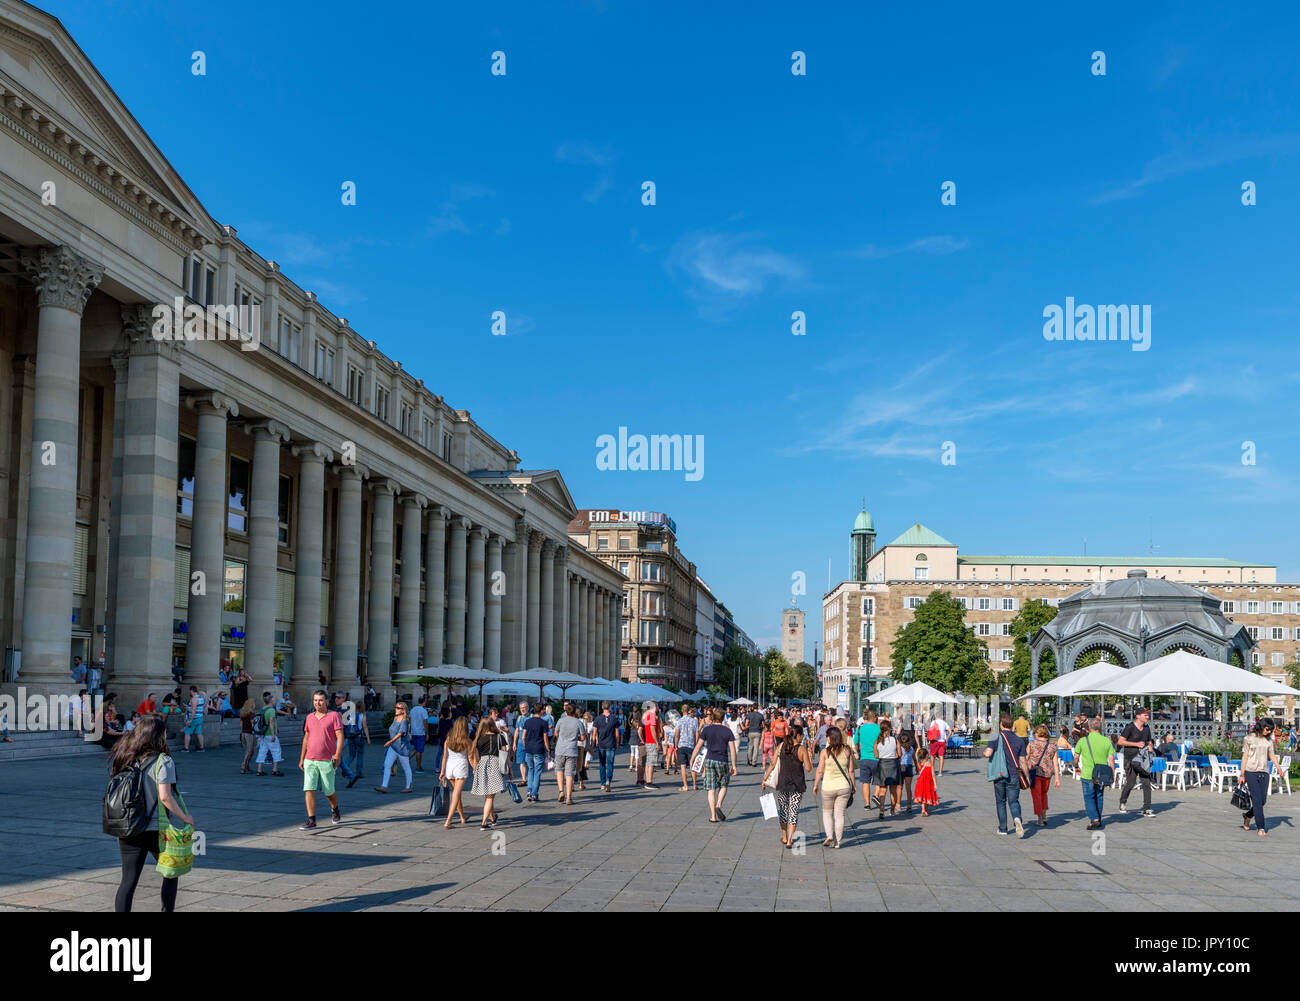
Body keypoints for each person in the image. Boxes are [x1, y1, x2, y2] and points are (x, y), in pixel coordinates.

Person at [107, 716, 193, 912]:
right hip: (155, 829)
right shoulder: (164, 761)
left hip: (128, 826)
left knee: (128, 880)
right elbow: (165, 797)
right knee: (171, 873)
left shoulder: (125, 756)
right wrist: (184, 817)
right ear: (160, 735)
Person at [298, 690, 344, 830]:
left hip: (326, 759)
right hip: (310, 759)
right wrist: (302, 758)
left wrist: (337, 754)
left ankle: (335, 808)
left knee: (328, 790)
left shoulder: (334, 716)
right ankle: (311, 820)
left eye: (321, 700)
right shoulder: (309, 717)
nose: (318, 703)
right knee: (309, 788)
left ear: (327, 701)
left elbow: (340, 736)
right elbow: (306, 738)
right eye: (315, 700)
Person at [983, 713, 1030, 838]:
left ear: (1001, 724)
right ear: (1011, 725)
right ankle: (1017, 818)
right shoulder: (1019, 740)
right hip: (1014, 775)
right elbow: (1023, 761)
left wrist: (985, 752)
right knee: (1014, 801)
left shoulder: (995, 737)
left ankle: (1003, 828)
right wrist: (1027, 777)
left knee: (1001, 801)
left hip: (999, 774)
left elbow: (988, 753)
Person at [764, 727, 811, 848]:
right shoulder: (801, 749)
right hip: (797, 785)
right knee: (793, 812)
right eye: (802, 735)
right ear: (799, 735)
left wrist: (765, 778)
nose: (803, 738)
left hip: (782, 783)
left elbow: (773, 763)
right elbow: (809, 768)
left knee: (784, 811)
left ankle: (784, 837)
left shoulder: (781, 746)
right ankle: (790, 840)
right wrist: (809, 755)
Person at [691, 707, 737, 823]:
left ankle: (713, 816)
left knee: (711, 789)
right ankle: (718, 804)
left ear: (712, 717)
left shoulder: (707, 730)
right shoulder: (727, 731)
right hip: (722, 760)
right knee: (723, 785)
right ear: (722, 718)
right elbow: (733, 749)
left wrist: (692, 759)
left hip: (710, 760)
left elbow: (698, 746)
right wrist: (734, 765)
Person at [813, 725, 856, 848]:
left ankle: (829, 835)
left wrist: (815, 784)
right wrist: (853, 785)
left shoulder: (825, 752)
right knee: (840, 814)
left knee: (827, 812)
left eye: (827, 736)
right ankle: (838, 841)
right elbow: (851, 770)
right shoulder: (847, 750)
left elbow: (820, 771)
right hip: (844, 787)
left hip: (828, 787)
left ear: (830, 738)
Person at [1239, 718, 1281, 837]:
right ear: (1261, 726)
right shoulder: (1248, 739)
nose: (1269, 732)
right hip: (1250, 772)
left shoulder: (1269, 741)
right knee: (1256, 800)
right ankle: (1261, 827)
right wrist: (1242, 774)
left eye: (1271, 730)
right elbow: (1245, 756)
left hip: (1264, 772)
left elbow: (1272, 755)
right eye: (1268, 729)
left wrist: (1279, 768)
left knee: (1262, 801)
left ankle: (1248, 816)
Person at [1076, 718, 1115, 831]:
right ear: (1100, 728)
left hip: (1088, 774)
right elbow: (1111, 759)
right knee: (1099, 796)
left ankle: (1094, 819)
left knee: (1089, 797)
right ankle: (1098, 819)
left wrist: (1076, 766)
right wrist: (1112, 774)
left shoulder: (1083, 741)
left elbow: (1076, 756)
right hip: (1101, 775)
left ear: (1089, 728)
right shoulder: (1106, 741)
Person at [1117, 707, 1155, 818]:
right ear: (1138, 716)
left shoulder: (1147, 728)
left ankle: (1147, 809)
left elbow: (1149, 741)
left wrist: (1150, 747)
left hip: (1143, 761)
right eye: (1145, 715)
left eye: (1148, 715)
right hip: (1130, 759)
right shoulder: (1130, 727)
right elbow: (1120, 741)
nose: (1147, 717)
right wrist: (1136, 744)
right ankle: (1122, 802)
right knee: (1130, 783)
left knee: (1146, 783)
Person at [469, 716, 505, 829]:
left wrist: (474, 768)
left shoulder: (478, 738)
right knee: (490, 796)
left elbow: (474, 756)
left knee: (488, 795)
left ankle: (493, 818)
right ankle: (484, 823)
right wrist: (508, 767)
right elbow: (505, 753)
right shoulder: (499, 736)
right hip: (494, 764)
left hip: (482, 765)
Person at [374, 701, 414, 795]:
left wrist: (390, 741)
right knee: (387, 765)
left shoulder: (404, 721)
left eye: (398, 708)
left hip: (402, 748)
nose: (396, 709)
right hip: (393, 747)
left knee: (406, 767)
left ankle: (409, 786)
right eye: (395, 707)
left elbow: (400, 733)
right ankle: (384, 786)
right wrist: (391, 743)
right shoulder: (395, 718)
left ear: (403, 710)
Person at [1025, 723, 1061, 827]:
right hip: (1047, 775)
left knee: (1037, 796)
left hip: (1035, 774)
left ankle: (1040, 819)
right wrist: (1057, 778)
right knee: (1044, 794)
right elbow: (1055, 763)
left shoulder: (1031, 745)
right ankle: (1044, 816)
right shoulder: (1052, 746)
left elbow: (1026, 759)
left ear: (1037, 734)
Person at [553, 704, 585, 805]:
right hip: (572, 750)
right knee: (569, 773)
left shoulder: (560, 720)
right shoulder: (578, 722)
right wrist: (576, 738)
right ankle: (569, 798)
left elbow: (556, 733)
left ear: (566, 711)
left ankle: (561, 791)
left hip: (560, 750)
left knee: (559, 770)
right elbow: (583, 738)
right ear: (575, 711)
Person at [521, 704, 550, 803]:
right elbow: (545, 738)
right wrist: (548, 750)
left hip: (529, 749)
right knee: (537, 772)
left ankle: (529, 791)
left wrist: (526, 745)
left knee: (530, 770)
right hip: (539, 749)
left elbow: (523, 737)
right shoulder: (544, 723)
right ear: (541, 711)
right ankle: (534, 794)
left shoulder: (527, 721)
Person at [854, 709, 881, 812]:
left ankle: (867, 804)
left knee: (865, 782)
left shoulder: (860, 729)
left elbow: (855, 742)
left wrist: (856, 752)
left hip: (864, 758)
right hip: (876, 758)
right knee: (879, 780)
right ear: (874, 717)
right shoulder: (879, 729)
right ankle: (876, 795)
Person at [874, 719, 901, 819]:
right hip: (893, 765)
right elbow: (900, 754)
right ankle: (892, 810)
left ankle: (881, 810)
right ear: (889, 729)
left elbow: (876, 755)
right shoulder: (895, 740)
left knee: (882, 790)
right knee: (893, 791)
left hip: (882, 765)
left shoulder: (877, 741)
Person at [254, 692, 285, 777]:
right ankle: (275, 770)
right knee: (276, 751)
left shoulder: (263, 708)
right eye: (274, 700)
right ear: (271, 701)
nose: (275, 701)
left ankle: (259, 770)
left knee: (262, 751)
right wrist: (273, 735)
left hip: (263, 734)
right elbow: (271, 722)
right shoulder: (271, 710)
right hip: (269, 734)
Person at [341, 700, 370, 788]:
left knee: (351, 755)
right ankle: (359, 773)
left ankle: (345, 768)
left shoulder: (351, 714)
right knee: (360, 755)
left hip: (350, 737)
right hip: (359, 737)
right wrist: (368, 738)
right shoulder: (362, 715)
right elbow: (364, 726)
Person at [593, 702, 620, 791]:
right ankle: (608, 780)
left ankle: (603, 783)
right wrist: (617, 743)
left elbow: (594, 732)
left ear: (602, 707)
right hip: (611, 743)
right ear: (609, 707)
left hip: (601, 744)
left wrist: (595, 741)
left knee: (602, 764)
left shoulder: (597, 718)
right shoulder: (614, 718)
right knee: (610, 763)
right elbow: (617, 734)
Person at [676, 707, 700, 791]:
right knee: (692, 765)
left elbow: (676, 735)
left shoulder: (679, 721)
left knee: (683, 766)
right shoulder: (694, 721)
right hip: (691, 745)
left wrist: (676, 745)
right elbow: (697, 734)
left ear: (682, 711)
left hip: (681, 745)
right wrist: (696, 744)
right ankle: (694, 785)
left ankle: (685, 786)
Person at [641, 703, 663, 789]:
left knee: (648, 762)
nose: (658, 708)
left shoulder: (648, 716)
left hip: (648, 741)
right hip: (652, 741)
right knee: (652, 762)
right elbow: (652, 729)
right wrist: (657, 742)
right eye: (657, 706)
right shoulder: (652, 716)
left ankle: (648, 780)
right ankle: (649, 782)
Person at [510, 701, 529, 786]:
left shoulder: (531, 717)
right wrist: (514, 743)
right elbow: (517, 730)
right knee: (521, 762)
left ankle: (531, 778)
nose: (522, 709)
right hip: (520, 743)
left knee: (530, 762)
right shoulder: (519, 718)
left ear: (527, 708)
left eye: (524, 708)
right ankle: (524, 779)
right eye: (521, 708)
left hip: (529, 743)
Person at [182, 686, 206, 752]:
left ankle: (186, 748)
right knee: (199, 733)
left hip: (194, 718)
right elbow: (199, 708)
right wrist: (188, 708)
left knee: (187, 733)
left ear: (191, 691)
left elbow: (194, 710)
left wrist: (190, 720)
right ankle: (201, 748)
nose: (189, 692)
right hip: (200, 717)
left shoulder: (194, 699)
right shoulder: (201, 698)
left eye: (189, 691)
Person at [409, 695, 430, 772]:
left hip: (414, 732)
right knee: (419, 750)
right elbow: (425, 722)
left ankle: (406, 759)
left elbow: (410, 720)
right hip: (421, 732)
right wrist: (427, 733)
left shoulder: (412, 710)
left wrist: (410, 730)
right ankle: (418, 767)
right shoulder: (423, 711)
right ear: (424, 702)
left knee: (416, 748)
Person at [237, 699, 258, 774]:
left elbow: (240, 725)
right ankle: (244, 767)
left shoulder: (242, 713)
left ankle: (247, 766)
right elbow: (253, 725)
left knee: (249, 751)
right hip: (250, 733)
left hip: (243, 733)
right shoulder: (251, 714)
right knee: (249, 751)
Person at [898, 731, 916, 813]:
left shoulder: (900, 748)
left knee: (900, 787)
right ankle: (909, 805)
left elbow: (898, 757)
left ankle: (898, 804)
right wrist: (917, 768)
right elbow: (914, 759)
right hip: (909, 767)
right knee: (908, 788)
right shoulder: (911, 748)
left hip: (901, 767)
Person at [627, 709, 642, 780]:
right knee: (637, 755)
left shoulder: (631, 730)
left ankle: (630, 766)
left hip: (631, 743)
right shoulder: (637, 730)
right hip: (636, 743)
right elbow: (639, 736)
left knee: (632, 754)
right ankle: (636, 767)